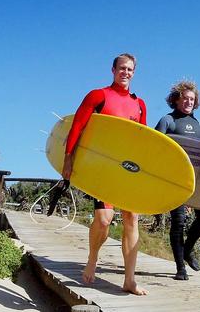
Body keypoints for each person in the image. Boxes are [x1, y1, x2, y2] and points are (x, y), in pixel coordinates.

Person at [62, 53, 149, 296]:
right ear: (113, 70)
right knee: (103, 219)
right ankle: (93, 257)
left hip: (127, 171)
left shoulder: (139, 104)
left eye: (130, 69)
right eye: (122, 68)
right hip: (103, 169)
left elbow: (142, 141)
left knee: (131, 218)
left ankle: (129, 280)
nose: (126, 73)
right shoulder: (98, 96)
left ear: (134, 72)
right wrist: (68, 159)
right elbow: (77, 126)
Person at [155, 80, 200, 281]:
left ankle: (187, 250)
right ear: (176, 100)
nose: (188, 102)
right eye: (185, 98)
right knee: (178, 222)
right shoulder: (167, 121)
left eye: (192, 99)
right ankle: (180, 268)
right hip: (173, 179)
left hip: (194, 180)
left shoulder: (198, 125)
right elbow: (154, 149)